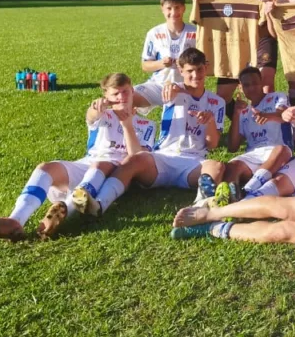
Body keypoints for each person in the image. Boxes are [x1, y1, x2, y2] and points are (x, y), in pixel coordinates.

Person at [0, 73, 156, 241]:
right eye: (115, 94)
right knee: (46, 168)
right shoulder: (103, 115)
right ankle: (16, 219)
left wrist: (127, 125)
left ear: (132, 91)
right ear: (106, 96)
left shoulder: (147, 124)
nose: (122, 97)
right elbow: (91, 115)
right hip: (88, 165)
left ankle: (64, 210)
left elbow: (136, 158)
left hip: (116, 172)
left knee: (103, 164)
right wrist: (94, 108)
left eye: (125, 92)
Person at [75, 49, 227, 218]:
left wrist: (210, 122)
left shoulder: (217, 102)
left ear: (206, 68)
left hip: (193, 162)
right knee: (133, 159)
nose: (195, 75)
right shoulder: (170, 90)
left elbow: (212, 144)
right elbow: (137, 93)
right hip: (163, 157)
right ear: (181, 71)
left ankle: (199, 208)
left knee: (216, 167)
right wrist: (109, 101)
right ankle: (100, 205)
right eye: (190, 71)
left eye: (199, 69)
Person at [192, 0, 279, 101]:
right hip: (236, 42)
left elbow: (277, 17)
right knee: (222, 96)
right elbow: (213, 13)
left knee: (266, 85)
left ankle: (266, 123)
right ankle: (241, 119)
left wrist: (269, 2)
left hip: (263, 38)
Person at [206, 66, 293, 205]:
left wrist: (268, 116)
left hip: (276, 149)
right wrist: (235, 114)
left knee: (281, 150)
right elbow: (233, 147)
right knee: (233, 166)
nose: (252, 88)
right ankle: (226, 196)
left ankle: (248, 190)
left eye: (255, 83)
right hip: (254, 153)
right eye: (246, 85)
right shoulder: (244, 110)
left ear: (261, 82)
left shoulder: (277, 97)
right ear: (240, 88)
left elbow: (284, 115)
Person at [132, 0, 198, 113]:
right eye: (169, 8)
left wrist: (185, 65)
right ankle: (130, 130)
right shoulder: (154, 33)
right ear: (162, 9)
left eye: (177, 7)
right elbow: (145, 66)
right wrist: (162, 63)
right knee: (128, 97)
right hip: (158, 86)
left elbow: (203, 64)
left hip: (185, 87)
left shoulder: (194, 33)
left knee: (184, 123)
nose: (173, 12)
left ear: (183, 8)